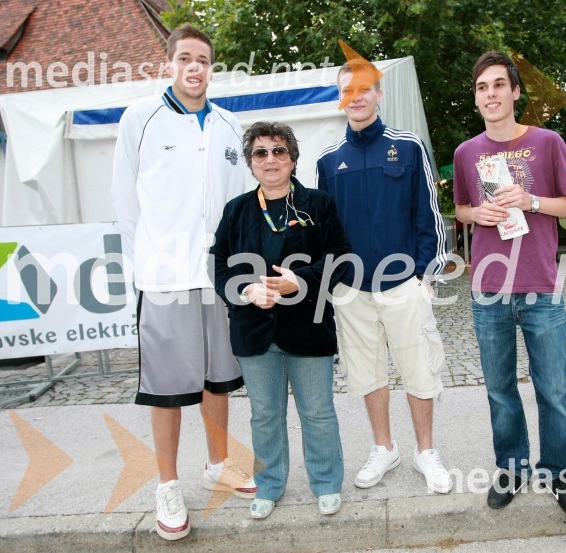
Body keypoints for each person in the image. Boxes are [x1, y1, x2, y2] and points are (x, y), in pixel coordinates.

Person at [111, 24, 255, 541]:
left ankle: (219, 463)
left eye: (203, 60)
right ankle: (167, 484)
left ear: (212, 68)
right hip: (165, 277)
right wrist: (148, 262)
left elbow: (240, 207)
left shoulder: (228, 125)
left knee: (218, 377)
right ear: (169, 63)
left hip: (216, 277)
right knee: (169, 390)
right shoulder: (139, 119)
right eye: (185, 58)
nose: (195, 67)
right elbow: (125, 203)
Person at [452, 51, 566, 520]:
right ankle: (511, 468)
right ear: (477, 98)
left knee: (552, 391)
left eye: (497, 85)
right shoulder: (466, 153)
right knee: (500, 390)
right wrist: (475, 214)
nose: (490, 94)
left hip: (541, 289)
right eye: (481, 88)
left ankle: (560, 474)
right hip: (488, 290)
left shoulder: (548, 142)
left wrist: (531, 200)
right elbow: (461, 210)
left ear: (515, 91)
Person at [316, 60, 452, 493]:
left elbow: (428, 218)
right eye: (346, 90)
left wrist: (424, 278)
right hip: (352, 291)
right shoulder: (327, 161)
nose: (355, 96)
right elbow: (324, 230)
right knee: (367, 373)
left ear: (378, 94)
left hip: (404, 286)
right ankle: (384, 447)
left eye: (363, 88)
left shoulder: (409, 147)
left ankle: (425, 451)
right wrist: (334, 281)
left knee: (420, 371)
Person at [211, 121, 351, 519]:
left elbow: (340, 255)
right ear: (250, 162)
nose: (270, 159)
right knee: (265, 414)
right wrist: (244, 291)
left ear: (292, 159)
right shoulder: (236, 210)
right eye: (260, 152)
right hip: (253, 331)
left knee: (318, 412)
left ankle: (325, 483)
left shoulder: (318, 204)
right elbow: (219, 265)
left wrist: (299, 281)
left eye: (278, 151)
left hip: (309, 327)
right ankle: (270, 485)